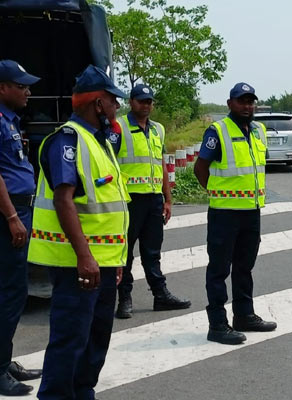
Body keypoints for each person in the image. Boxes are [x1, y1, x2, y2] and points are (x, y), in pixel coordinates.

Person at [28, 65, 130, 399]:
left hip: (102, 261)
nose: (117, 107)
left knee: (96, 339)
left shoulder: (99, 142)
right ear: (98, 104)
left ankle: (83, 392)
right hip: (76, 264)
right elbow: (63, 200)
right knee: (70, 340)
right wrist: (85, 257)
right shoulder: (67, 141)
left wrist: (114, 261)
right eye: (113, 101)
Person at [194, 82, 277, 345]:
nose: (247, 106)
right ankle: (217, 324)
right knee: (219, 269)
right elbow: (200, 168)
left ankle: (244, 315)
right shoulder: (217, 131)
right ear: (230, 104)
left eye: (251, 101)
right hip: (224, 214)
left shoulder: (258, 131)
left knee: (245, 267)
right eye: (242, 101)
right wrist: (218, 192)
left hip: (251, 212)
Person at [111, 83, 190, 319]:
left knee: (152, 251)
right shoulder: (119, 128)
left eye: (149, 101)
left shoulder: (158, 130)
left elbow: (162, 166)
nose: (146, 105)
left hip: (154, 199)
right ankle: (124, 298)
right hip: (128, 200)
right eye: (141, 101)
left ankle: (160, 294)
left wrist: (168, 199)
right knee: (125, 253)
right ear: (130, 102)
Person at [0, 60, 42, 396]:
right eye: (21, 86)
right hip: (7, 215)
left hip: (19, 210)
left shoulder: (10, 121)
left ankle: (6, 359)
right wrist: (13, 217)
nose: (27, 91)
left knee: (14, 291)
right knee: (10, 293)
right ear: (2, 87)